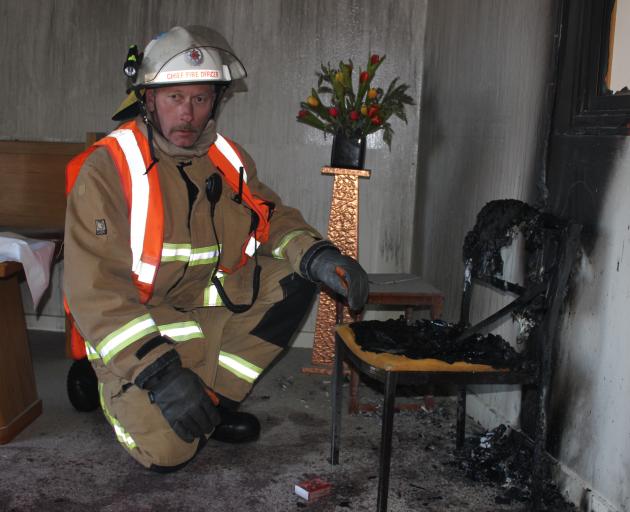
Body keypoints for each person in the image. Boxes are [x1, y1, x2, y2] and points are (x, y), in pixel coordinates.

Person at [63, 25, 369, 472]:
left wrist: (319, 255)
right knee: (168, 453)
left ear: (215, 102)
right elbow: (96, 290)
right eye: (174, 98)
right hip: (138, 328)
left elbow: (272, 217)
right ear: (148, 99)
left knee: (296, 274)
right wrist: (159, 374)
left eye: (200, 99)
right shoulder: (108, 168)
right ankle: (129, 392)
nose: (187, 114)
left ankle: (215, 402)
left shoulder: (229, 158)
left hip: (206, 313)